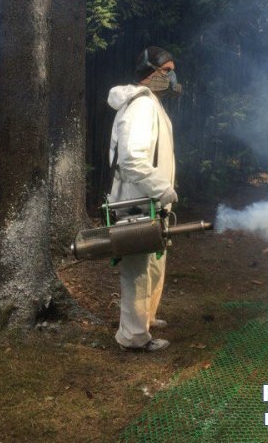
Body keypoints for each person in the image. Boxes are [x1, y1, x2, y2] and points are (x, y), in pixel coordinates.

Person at [107, 46, 182, 352]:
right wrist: (162, 188)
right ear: (152, 73)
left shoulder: (150, 103)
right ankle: (133, 337)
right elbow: (133, 159)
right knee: (137, 270)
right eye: (167, 71)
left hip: (148, 200)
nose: (173, 77)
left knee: (153, 263)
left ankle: (145, 319)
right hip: (136, 200)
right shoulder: (141, 106)